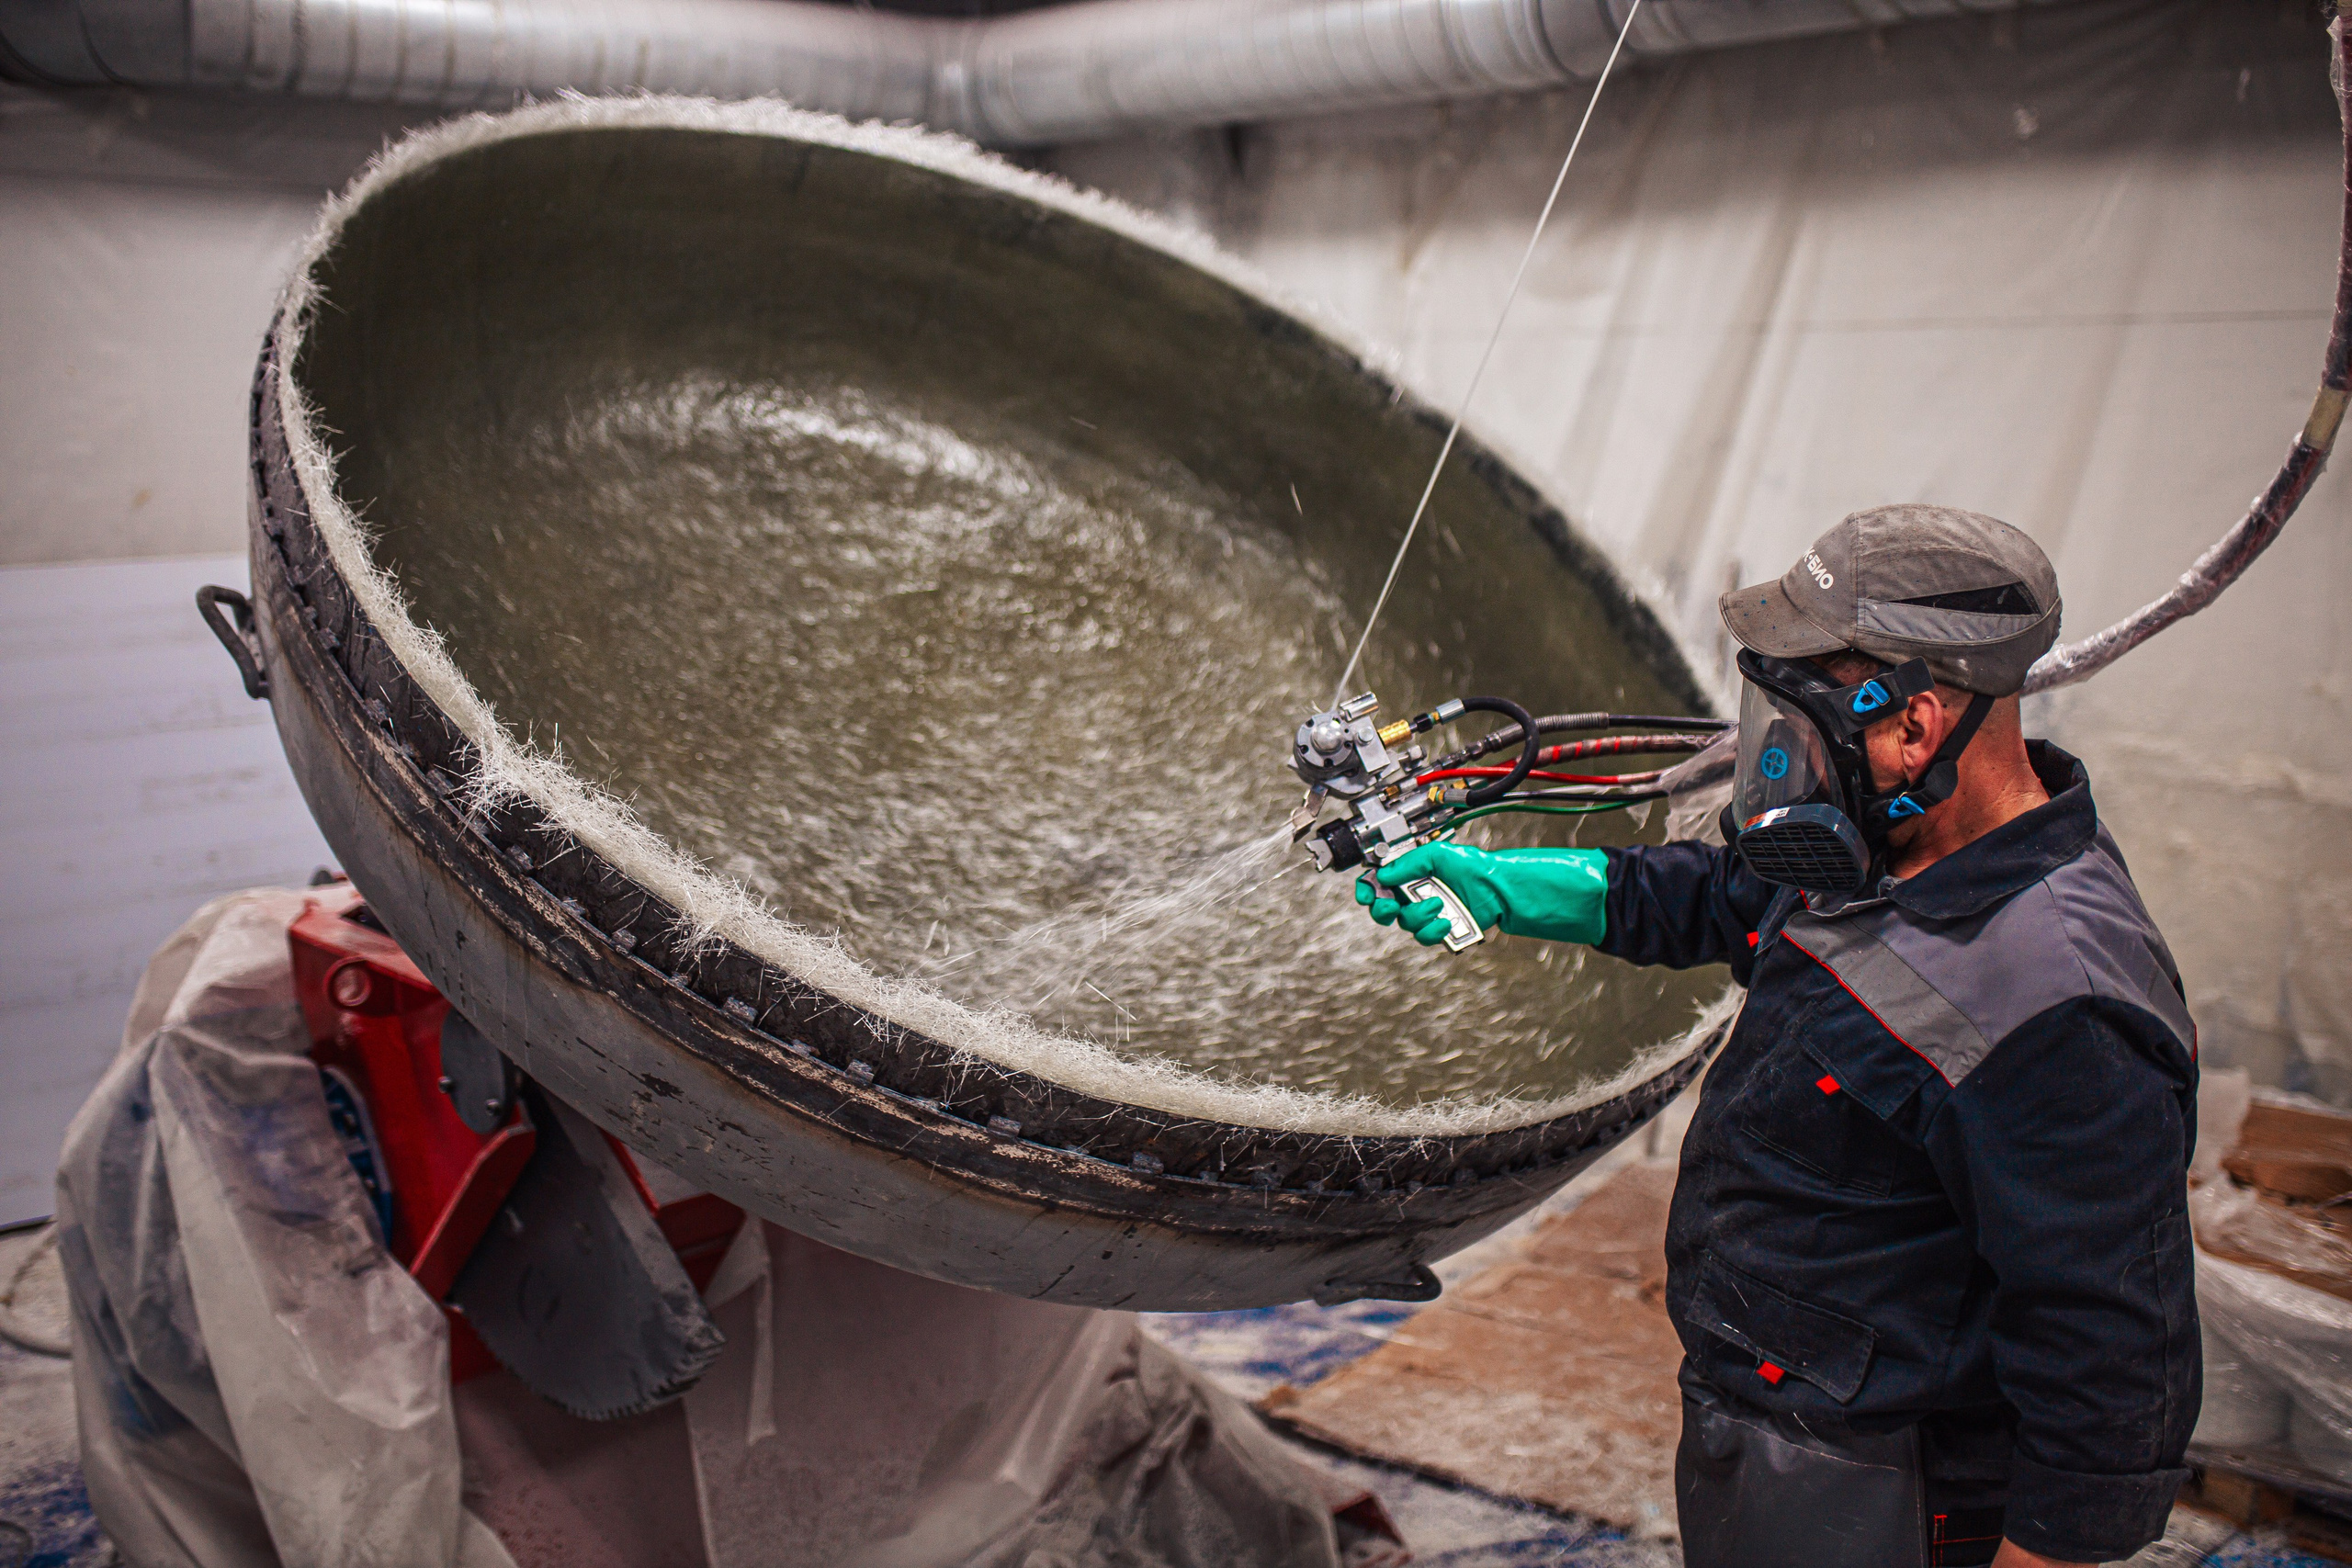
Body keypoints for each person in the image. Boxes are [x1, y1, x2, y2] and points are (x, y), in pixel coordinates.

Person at [1361, 505, 2199, 1568]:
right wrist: (1505, 885)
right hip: (1763, 1413)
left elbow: (2113, 1361)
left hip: (1886, 1479)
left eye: (1800, 722)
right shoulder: (1885, 847)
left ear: (1914, 726)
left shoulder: (2056, 1003)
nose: (1776, 756)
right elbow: (1724, 900)